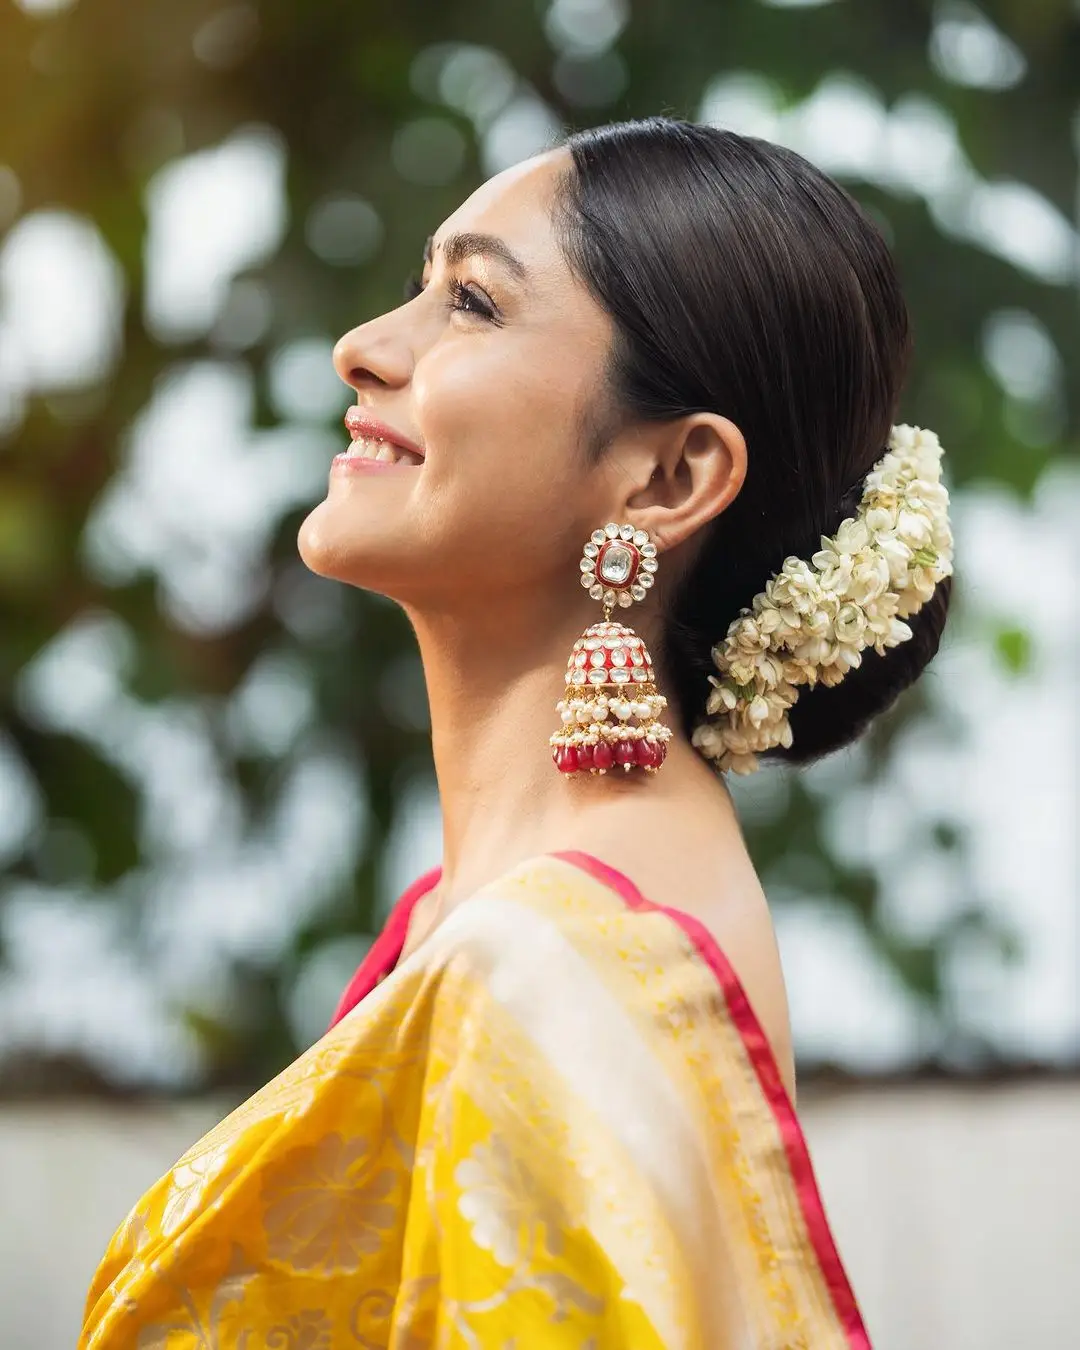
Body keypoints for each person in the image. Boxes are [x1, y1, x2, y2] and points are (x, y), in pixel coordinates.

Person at [80, 117, 952, 1349]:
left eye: (475, 304)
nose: (365, 349)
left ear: (666, 480)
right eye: (417, 288)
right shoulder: (487, 918)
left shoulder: (555, 965)